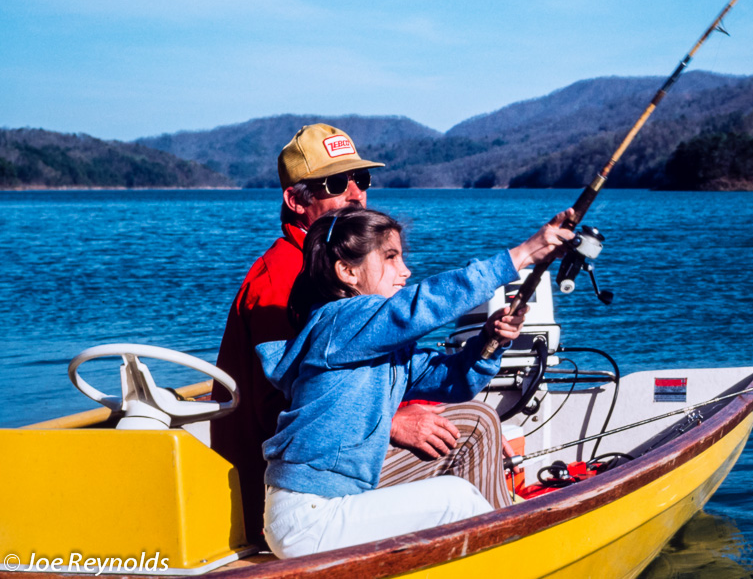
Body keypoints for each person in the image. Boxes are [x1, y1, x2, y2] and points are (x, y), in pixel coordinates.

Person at [210, 123, 511, 544]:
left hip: (317, 465)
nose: (356, 194)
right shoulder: (280, 282)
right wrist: (392, 423)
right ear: (296, 199)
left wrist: (489, 344)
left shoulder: (326, 273)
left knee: (456, 418)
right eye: (336, 183)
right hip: (281, 487)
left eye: (361, 179)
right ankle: (511, 547)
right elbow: (291, 396)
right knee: (473, 429)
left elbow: (356, 374)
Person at [258, 206, 574, 557]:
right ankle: (526, 561)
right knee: (455, 498)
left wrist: (490, 341)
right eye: (390, 257)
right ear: (347, 271)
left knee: (464, 460)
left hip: (338, 503)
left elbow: (453, 380)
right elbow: (419, 307)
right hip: (308, 518)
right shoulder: (338, 322)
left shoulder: (375, 344)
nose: (405, 271)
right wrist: (524, 253)